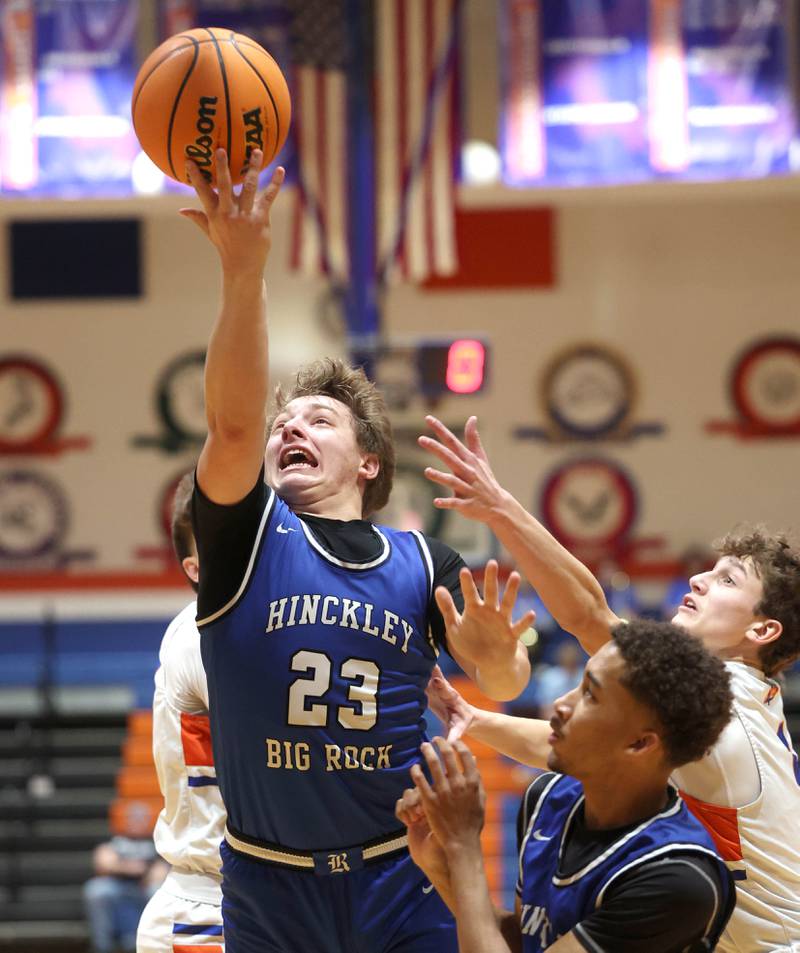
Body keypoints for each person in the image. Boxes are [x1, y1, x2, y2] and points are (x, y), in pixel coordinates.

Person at [179, 149, 533, 952]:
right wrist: (245, 273)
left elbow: (501, 680)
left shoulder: (422, 561)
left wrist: (497, 657)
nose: (289, 427)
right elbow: (232, 422)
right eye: (284, 422)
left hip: (399, 872)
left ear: (369, 461)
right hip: (270, 883)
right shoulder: (244, 536)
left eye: (319, 419)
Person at [418, 413, 800, 951]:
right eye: (710, 570)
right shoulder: (740, 701)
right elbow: (594, 740)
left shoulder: (727, 707)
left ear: (762, 629)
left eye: (727, 580)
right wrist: (476, 719)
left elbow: (590, 619)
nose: (698, 578)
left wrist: (500, 509)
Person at [397, 620, 736, 952]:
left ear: (639, 744)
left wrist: (463, 847)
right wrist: (439, 863)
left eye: (590, 694)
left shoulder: (676, 877)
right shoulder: (546, 798)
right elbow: (524, 941)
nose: (562, 704)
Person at [136, 472, 226, 952]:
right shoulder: (200, 633)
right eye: (221, 541)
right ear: (194, 569)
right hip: (211, 907)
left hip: (269, 896)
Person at [84, 802, 167, 953]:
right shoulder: (115, 839)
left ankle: (152, 946)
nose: (136, 821)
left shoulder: (157, 842)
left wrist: (126, 867)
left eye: (140, 818)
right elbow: (103, 861)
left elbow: (162, 870)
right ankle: (102, 946)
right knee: (96, 890)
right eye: (133, 817)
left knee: (156, 892)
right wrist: (133, 868)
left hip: (144, 886)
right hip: (116, 883)